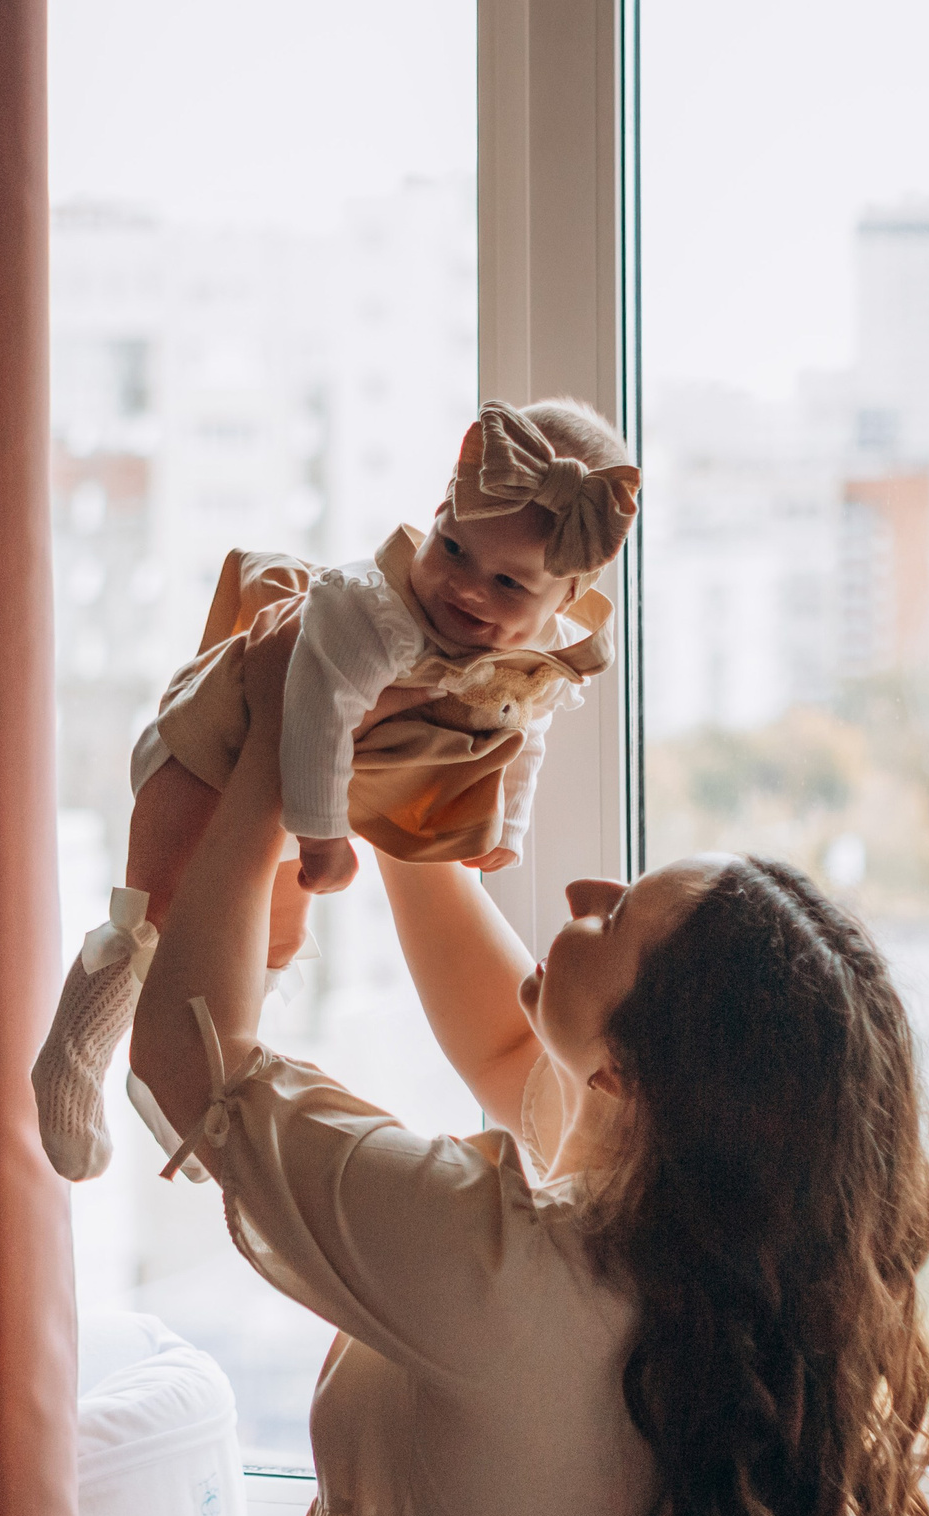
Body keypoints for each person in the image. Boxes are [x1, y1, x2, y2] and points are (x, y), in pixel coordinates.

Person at [124, 618, 929, 1516]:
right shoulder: (708, 1251)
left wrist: (281, 760)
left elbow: (194, 1069)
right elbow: (510, 1046)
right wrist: (394, 798)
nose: (580, 897)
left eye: (614, 921)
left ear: (628, 1073)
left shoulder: (498, 1270)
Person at [35, 398, 639, 1182]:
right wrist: (322, 837)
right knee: (160, 908)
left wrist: (505, 828)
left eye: (508, 584)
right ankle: (74, 1050)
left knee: (267, 941)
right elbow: (312, 717)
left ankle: (190, 1100)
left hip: (304, 785)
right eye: (452, 547)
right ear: (436, 512)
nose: (467, 590)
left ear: (563, 598)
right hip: (212, 749)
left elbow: (528, 730)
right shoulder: (372, 615)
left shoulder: (546, 652)